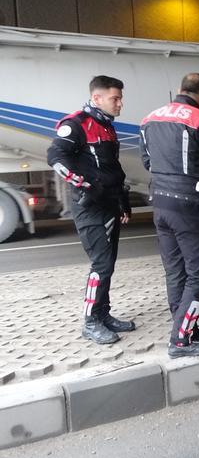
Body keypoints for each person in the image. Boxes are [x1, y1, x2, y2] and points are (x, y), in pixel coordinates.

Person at [139, 73, 199, 358]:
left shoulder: (150, 118)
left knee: (176, 270)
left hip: (161, 203)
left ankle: (185, 328)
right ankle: (181, 340)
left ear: (180, 89)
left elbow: (146, 161)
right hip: (190, 206)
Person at [47, 75, 136, 344]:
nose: (120, 103)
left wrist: (122, 200)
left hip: (110, 205)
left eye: (120, 98)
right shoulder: (76, 124)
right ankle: (90, 322)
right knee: (101, 265)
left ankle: (104, 315)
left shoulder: (107, 127)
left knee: (108, 265)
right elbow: (55, 158)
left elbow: (112, 169)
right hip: (90, 209)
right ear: (97, 98)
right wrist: (86, 185)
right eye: (115, 98)